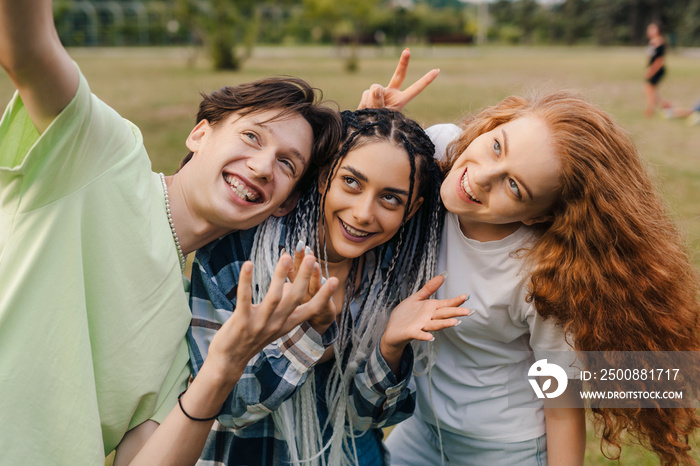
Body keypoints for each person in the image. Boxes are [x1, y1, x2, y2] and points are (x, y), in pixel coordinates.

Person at [0, 1, 344, 464]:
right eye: (251, 137)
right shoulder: (105, 157)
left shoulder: (182, 333)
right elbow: (28, 51)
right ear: (200, 134)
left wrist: (224, 365)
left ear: (284, 203)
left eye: (287, 164)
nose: (263, 167)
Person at [361, 56, 700, 465]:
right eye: (497, 146)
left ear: (538, 215)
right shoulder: (439, 151)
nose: (482, 176)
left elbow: (559, 406)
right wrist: (374, 127)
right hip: (420, 431)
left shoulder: (541, 278)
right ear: (492, 126)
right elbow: (359, 185)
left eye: (515, 186)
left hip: (505, 451)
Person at [187, 108, 470, 465]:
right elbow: (226, 406)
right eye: (351, 182)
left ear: (411, 210)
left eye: (391, 198)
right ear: (324, 178)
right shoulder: (240, 253)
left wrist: (389, 347)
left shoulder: (392, 275)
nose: (364, 213)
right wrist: (310, 329)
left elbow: (368, 420)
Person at [644, 21, 672, 118]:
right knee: (650, 90)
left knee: (649, 89)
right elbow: (650, 57)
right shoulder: (651, 42)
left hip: (658, 69)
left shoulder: (660, 42)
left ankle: (650, 110)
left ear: (658, 30)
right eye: (650, 28)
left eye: (653, 28)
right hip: (652, 68)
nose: (651, 31)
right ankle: (665, 104)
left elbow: (659, 60)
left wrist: (652, 70)